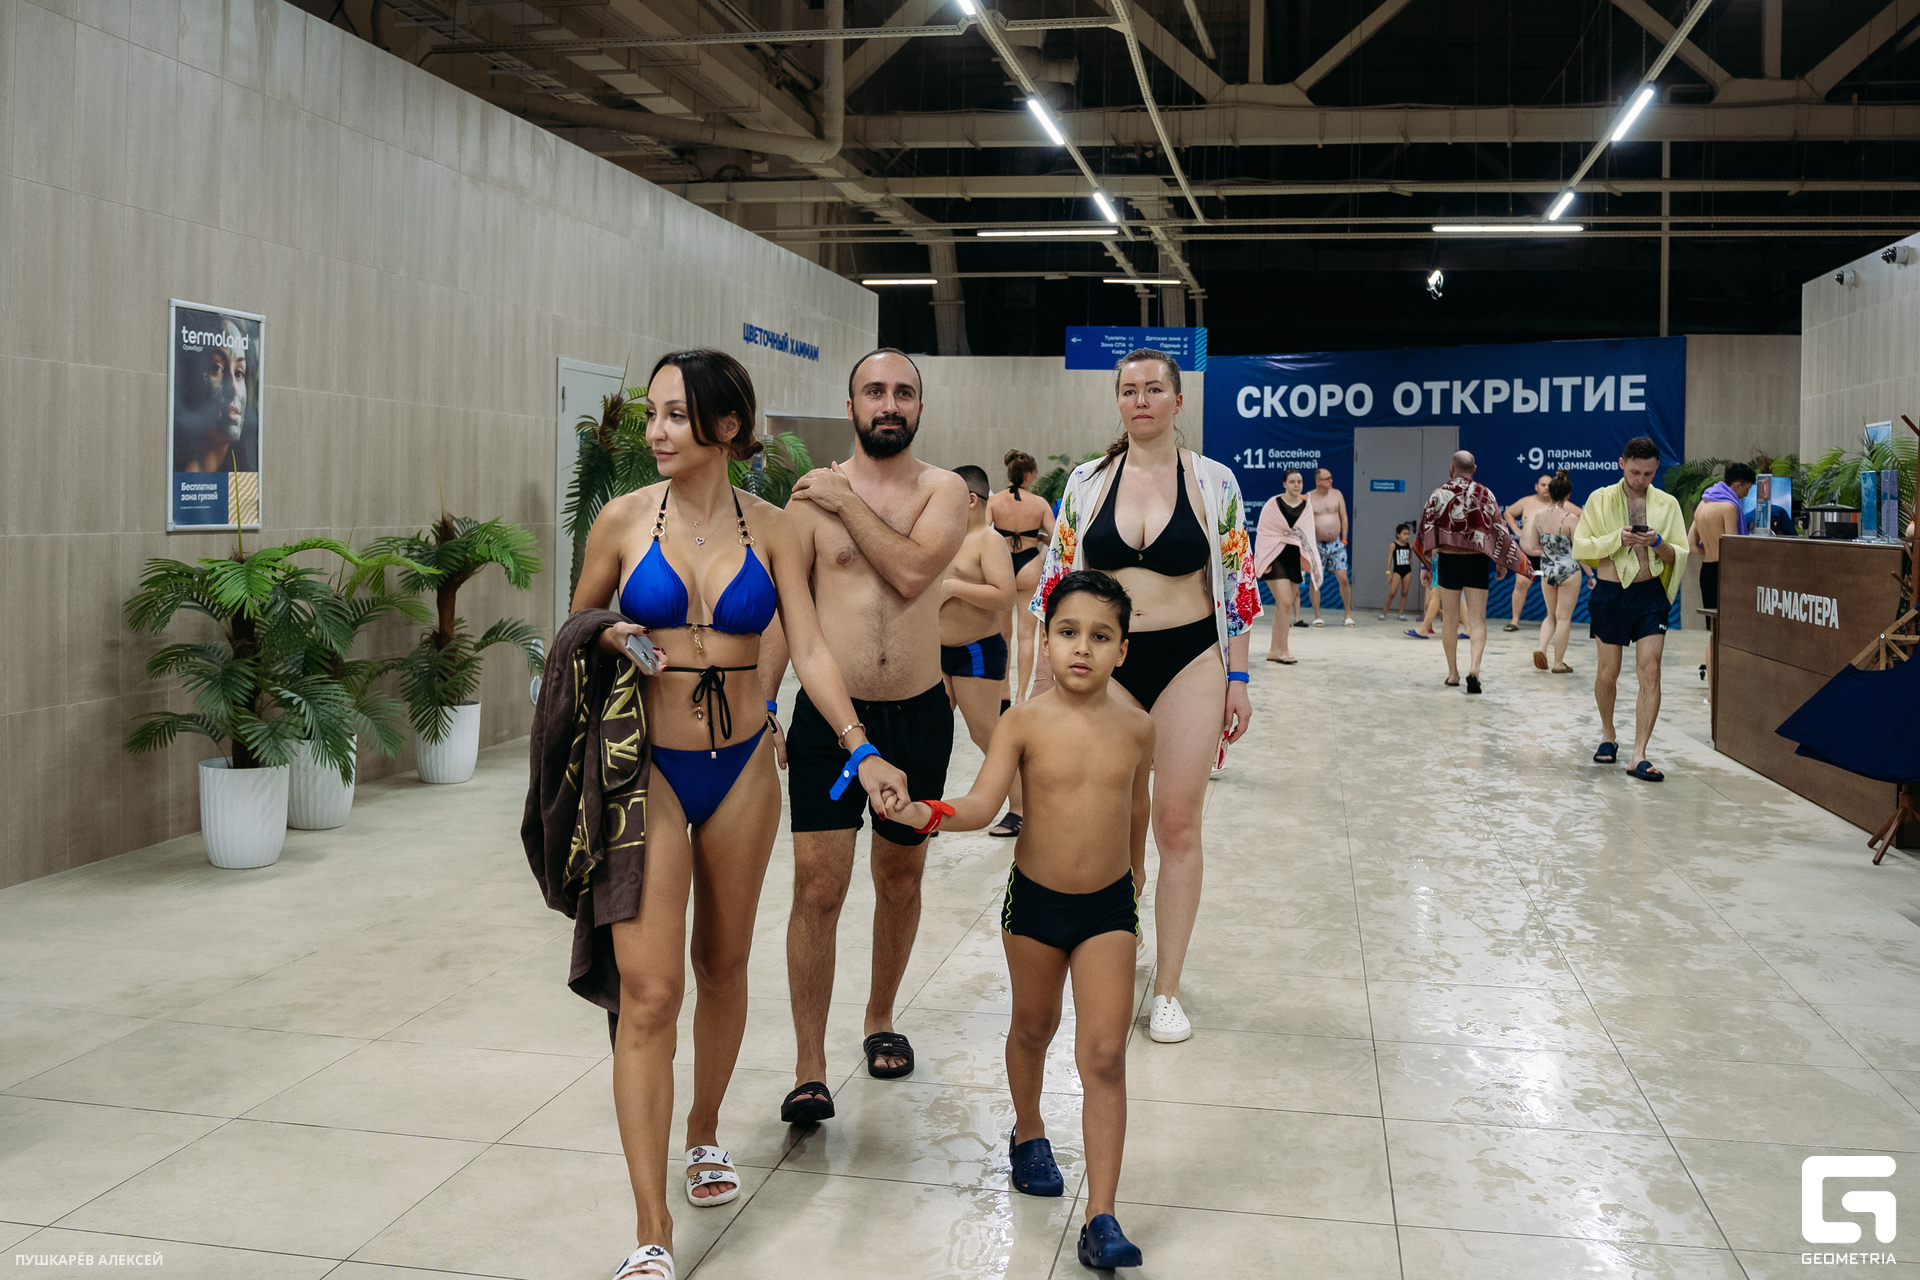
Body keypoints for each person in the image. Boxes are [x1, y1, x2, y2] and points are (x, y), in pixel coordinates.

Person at [570, 350, 912, 1280]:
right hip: (649, 768)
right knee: (650, 993)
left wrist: (860, 748)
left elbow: (811, 647)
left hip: (743, 769)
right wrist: (608, 633)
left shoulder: (778, 529)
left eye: (676, 414)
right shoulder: (621, 519)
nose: (656, 430)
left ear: (726, 426)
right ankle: (651, 1227)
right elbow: (574, 632)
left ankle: (704, 1129)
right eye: (653, 413)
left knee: (722, 965)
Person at [892, 570, 1153, 1271]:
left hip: (1108, 909)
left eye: (1100, 636)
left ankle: (1102, 1216)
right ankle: (1029, 1131)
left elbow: (1137, 805)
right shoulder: (1023, 723)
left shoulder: (1138, 728)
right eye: (1068, 632)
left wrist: (1136, 874)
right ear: (1047, 637)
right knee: (1034, 1028)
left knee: (1104, 1055)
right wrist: (927, 813)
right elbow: (983, 803)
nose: (1082, 648)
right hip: (1035, 905)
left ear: (1122, 650)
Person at [757, 347, 971, 1117]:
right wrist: (765, 704)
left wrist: (847, 504)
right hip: (829, 718)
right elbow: (788, 613)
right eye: (874, 391)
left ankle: (880, 1017)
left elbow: (911, 573)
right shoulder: (805, 505)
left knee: (899, 879)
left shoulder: (944, 491)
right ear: (851, 407)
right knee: (818, 887)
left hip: (919, 715)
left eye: (903, 392)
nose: (889, 404)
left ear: (920, 408)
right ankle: (809, 1063)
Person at [1027, 348, 1258, 1046]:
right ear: (1119, 402)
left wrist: (1239, 678)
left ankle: (1168, 988)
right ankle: (1116, 954)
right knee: (1116, 824)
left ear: (1178, 401)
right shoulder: (1087, 484)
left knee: (1177, 823)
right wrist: (1043, 682)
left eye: (1155, 389)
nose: (1141, 400)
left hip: (1192, 660)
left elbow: (1237, 584)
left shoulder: (1214, 482)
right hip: (1110, 665)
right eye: (1129, 390)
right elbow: (1056, 581)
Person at [1576, 437, 1688, 780]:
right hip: (1610, 593)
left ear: (1656, 469)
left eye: (1648, 473)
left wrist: (1657, 542)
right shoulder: (1599, 499)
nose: (1641, 479)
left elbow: (1678, 555)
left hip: (1650, 594)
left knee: (1650, 670)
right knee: (1607, 672)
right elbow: (1581, 547)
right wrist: (1618, 539)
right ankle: (1608, 734)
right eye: (1635, 472)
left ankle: (1639, 753)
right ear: (1622, 463)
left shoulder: (1667, 505)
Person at [940, 465, 1023, 833]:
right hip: (936, 652)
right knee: (932, 731)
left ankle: (1020, 807)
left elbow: (1005, 597)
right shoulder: (946, 537)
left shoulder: (988, 541)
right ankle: (927, 809)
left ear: (971, 500)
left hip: (976, 651)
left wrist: (953, 588)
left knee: (986, 733)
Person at [1413, 451, 1531, 693]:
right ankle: (1474, 668)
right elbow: (1498, 529)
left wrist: (1426, 565)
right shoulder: (1485, 494)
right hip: (1477, 561)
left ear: (1452, 469)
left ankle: (1452, 674)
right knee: (1477, 619)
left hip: (1448, 561)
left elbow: (1426, 529)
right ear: (1474, 469)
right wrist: (1501, 562)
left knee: (1450, 620)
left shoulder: (1438, 494)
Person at [990, 450, 1058, 716]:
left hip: (1002, 565)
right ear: (1028, 474)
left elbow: (981, 533)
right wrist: (1039, 538)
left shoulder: (994, 501)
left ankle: (1004, 691)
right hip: (1030, 564)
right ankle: (1021, 697)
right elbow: (1057, 537)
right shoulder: (1039, 503)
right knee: (1026, 635)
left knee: (1003, 634)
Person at [1688, 463, 1756, 701]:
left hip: (1707, 571)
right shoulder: (1728, 507)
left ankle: (1713, 693)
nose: (1746, 495)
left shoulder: (1703, 504)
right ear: (1737, 485)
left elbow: (1691, 545)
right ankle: (1726, 691)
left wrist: (1710, 550)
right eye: (1746, 489)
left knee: (1714, 634)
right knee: (1729, 633)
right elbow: (1733, 547)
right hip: (1725, 572)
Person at [1253, 470, 1322, 664]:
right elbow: (1263, 532)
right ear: (1284, 484)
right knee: (1284, 602)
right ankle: (1283, 651)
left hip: (1293, 558)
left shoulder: (1306, 506)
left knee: (1285, 606)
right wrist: (1263, 559)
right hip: (1274, 556)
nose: (1296, 485)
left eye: (1299, 481)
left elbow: (1307, 535)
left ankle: (1274, 650)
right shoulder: (1273, 504)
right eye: (1292, 481)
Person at [1529, 470, 1586, 674]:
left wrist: (1548, 553)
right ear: (1568, 495)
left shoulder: (1538, 516)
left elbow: (1533, 545)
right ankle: (1558, 663)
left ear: (1550, 493)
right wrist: (1591, 575)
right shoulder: (1571, 519)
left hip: (1547, 570)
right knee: (1563, 618)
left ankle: (1541, 647)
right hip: (1569, 570)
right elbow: (1579, 550)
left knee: (1550, 615)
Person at [1503, 475, 1553, 631]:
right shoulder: (1526, 502)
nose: (1546, 487)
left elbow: (1579, 513)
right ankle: (1514, 621)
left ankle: (1552, 622)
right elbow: (1508, 513)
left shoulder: (1559, 504)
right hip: (1527, 553)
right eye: (1543, 484)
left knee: (1552, 587)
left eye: (1549, 485)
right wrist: (1517, 530)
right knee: (1520, 584)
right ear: (1536, 486)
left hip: (1550, 555)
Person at [1307, 468, 1353, 626]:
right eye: (1327, 479)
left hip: (1336, 544)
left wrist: (1344, 540)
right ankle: (1317, 615)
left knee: (1343, 578)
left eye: (1331, 478)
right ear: (1318, 481)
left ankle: (1348, 614)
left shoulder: (1337, 494)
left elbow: (1344, 517)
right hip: (1317, 545)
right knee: (1315, 580)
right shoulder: (1309, 497)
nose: (1331, 481)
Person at [1381, 522, 1415, 620]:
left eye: (1408, 534)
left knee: (1404, 592)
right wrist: (1388, 573)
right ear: (1398, 534)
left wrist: (1410, 570)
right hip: (1397, 571)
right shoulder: (1393, 545)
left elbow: (1410, 558)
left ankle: (1401, 613)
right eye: (1404, 534)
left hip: (1407, 571)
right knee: (1392, 592)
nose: (1407, 536)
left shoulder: (1409, 546)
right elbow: (1389, 560)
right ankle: (1384, 612)